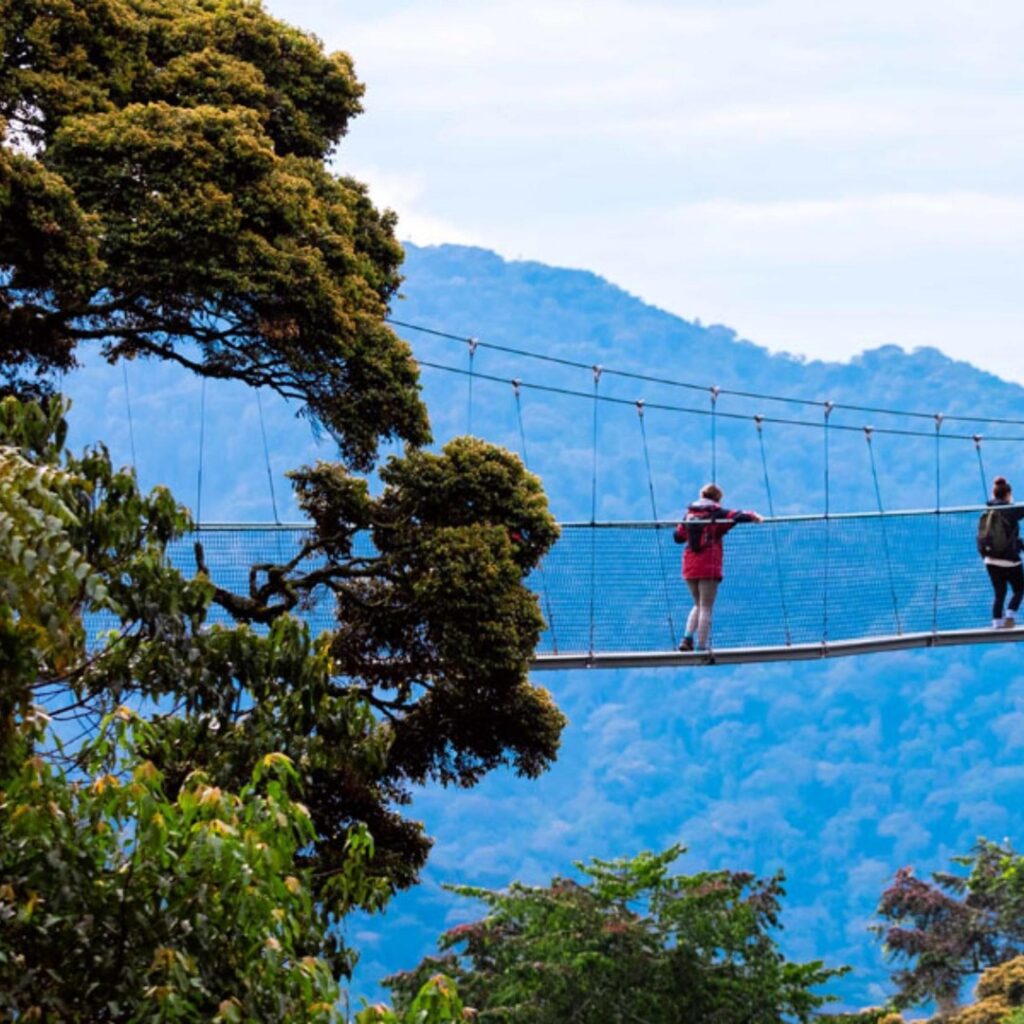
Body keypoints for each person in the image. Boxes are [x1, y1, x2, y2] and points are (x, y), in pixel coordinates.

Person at [673, 483, 763, 651]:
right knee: (706, 606)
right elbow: (737, 515)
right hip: (709, 567)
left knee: (698, 605)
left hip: (689, 567)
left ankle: (686, 639)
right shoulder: (717, 514)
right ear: (717, 498)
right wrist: (754, 516)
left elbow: (678, 537)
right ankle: (701, 646)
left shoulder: (689, 515)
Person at [977, 476, 1024, 628]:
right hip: (1009, 560)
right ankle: (1010, 615)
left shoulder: (988, 511)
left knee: (999, 593)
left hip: (990, 559)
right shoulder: (1010, 510)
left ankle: (997, 623)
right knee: (1019, 588)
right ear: (1008, 494)